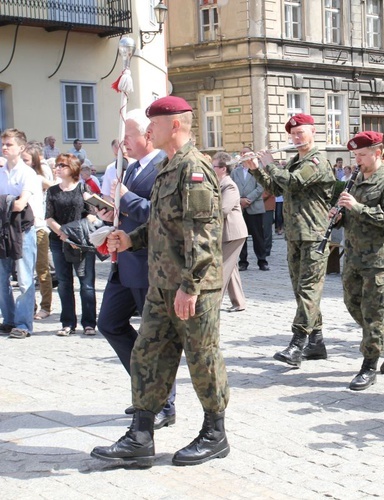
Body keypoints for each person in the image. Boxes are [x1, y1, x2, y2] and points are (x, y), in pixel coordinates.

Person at [91, 96, 230, 467]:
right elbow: (162, 223)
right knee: (147, 354)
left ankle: (215, 433)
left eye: (155, 122)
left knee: (202, 358)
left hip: (191, 286)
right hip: (162, 284)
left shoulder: (194, 168)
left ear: (176, 125)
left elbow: (202, 232)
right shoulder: (169, 166)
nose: (148, 130)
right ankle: (140, 435)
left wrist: (191, 286)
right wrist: (131, 239)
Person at [96, 108, 176, 428]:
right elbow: (126, 210)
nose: (123, 142)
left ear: (146, 135)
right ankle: (146, 389)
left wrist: (125, 198)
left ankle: (164, 404)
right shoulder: (128, 169)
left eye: (128, 135)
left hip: (147, 264)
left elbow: (158, 215)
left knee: (154, 338)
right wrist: (109, 213)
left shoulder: (162, 168)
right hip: (123, 263)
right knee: (110, 323)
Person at [248, 114, 335, 367]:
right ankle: (316, 342)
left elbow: (293, 183)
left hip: (314, 235)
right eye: (293, 134)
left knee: (309, 290)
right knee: (302, 290)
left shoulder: (316, 161)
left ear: (313, 132)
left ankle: (297, 344)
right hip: (296, 234)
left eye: (301, 133)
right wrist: (256, 170)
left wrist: (270, 163)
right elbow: (277, 189)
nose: (296, 138)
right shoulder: (296, 160)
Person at [332, 131, 384, 390]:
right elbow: (351, 214)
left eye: (362, 155)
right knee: (353, 304)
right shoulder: (355, 181)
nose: (358, 160)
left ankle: (369, 365)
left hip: (378, 258)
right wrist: (339, 215)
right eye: (356, 156)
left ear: (377, 153)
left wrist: (356, 207)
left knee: (373, 313)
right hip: (353, 255)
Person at [45, 154, 98, 337]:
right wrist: (62, 232)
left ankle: (89, 323)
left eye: (62, 165)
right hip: (59, 241)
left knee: (87, 284)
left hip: (81, 242)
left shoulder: (84, 188)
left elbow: (92, 214)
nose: (58, 168)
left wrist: (74, 230)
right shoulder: (52, 191)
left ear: (73, 168)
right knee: (64, 283)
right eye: (57, 165)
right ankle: (68, 322)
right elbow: (48, 217)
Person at [0, 129, 42, 339]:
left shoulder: (28, 174)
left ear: (21, 148)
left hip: (23, 230)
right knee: (1, 278)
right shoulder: (1, 172)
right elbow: (12, 202)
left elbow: (19, 204)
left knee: (25, 279)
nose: (4, 147)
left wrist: (4, 201)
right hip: (2, 230)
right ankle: (8, 319)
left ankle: (24, 324)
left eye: (9, 144)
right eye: (3, 144)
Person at [21, 142, 55, 321]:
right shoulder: (18, 176)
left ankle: (45, 306)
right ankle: (30, 306)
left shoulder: (37, 177)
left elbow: (54, 188)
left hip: (39, 227)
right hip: (22, 228)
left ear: (33, 161)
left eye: (26, 160)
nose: (22, 162)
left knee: (42, 269)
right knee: (25, 271)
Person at [212, 152, 248, 312]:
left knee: (221, 268)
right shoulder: (219, 183)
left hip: (233, 233)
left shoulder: (229, 185)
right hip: (227, 233)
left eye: (213, 166)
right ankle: (239, 302)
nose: (211, 169)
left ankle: (212, 305)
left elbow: (223, 210)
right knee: (231, 267)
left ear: (223, 169)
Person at [231, 146, 269, 271]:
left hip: (254, 206)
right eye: (241, 153)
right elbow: (231, 187)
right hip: (239, 207)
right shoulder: (235, 171)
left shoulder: (257, 169)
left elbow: (261, 187)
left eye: (246, 153)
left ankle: (262, 260)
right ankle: (243, 261)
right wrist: (240, 200)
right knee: (241, 236)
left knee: (258, 235)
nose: (243, 155)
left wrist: (249, 199)